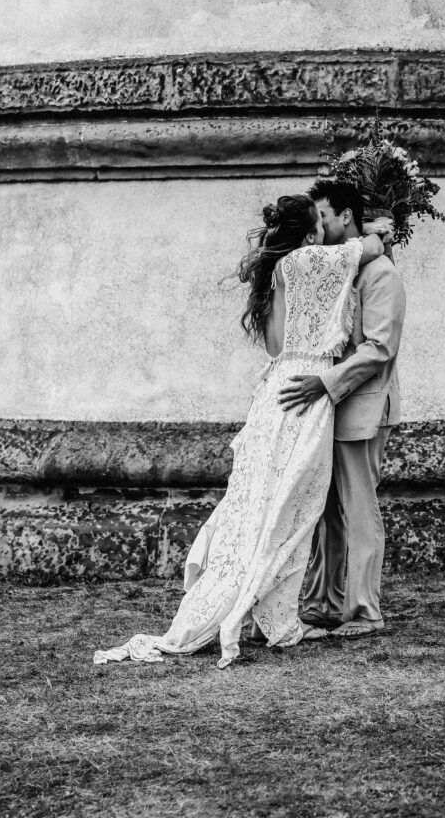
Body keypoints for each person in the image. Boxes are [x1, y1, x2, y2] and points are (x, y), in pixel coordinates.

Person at [93, 194, 392, 669]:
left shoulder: (277, 272)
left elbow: (276, 345)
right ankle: (276, 616)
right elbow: (374, 246)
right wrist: (384, 226)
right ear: (311, 230)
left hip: (275, 390)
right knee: (296, 507)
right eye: (319, 218)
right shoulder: (319, 258)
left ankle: (259, 609)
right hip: (308, 392)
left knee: (256, 504)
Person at [278, 180, 406, 639]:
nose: (318, 226)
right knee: (325, 508)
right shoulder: (341, 266)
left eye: (325, 217)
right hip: (327, 409)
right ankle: (323, 603)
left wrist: (325, 382)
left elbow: (379, 348)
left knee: (357, 508)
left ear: (347, 217)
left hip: (361, 408)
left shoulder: (382, 275)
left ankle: (365, 610)